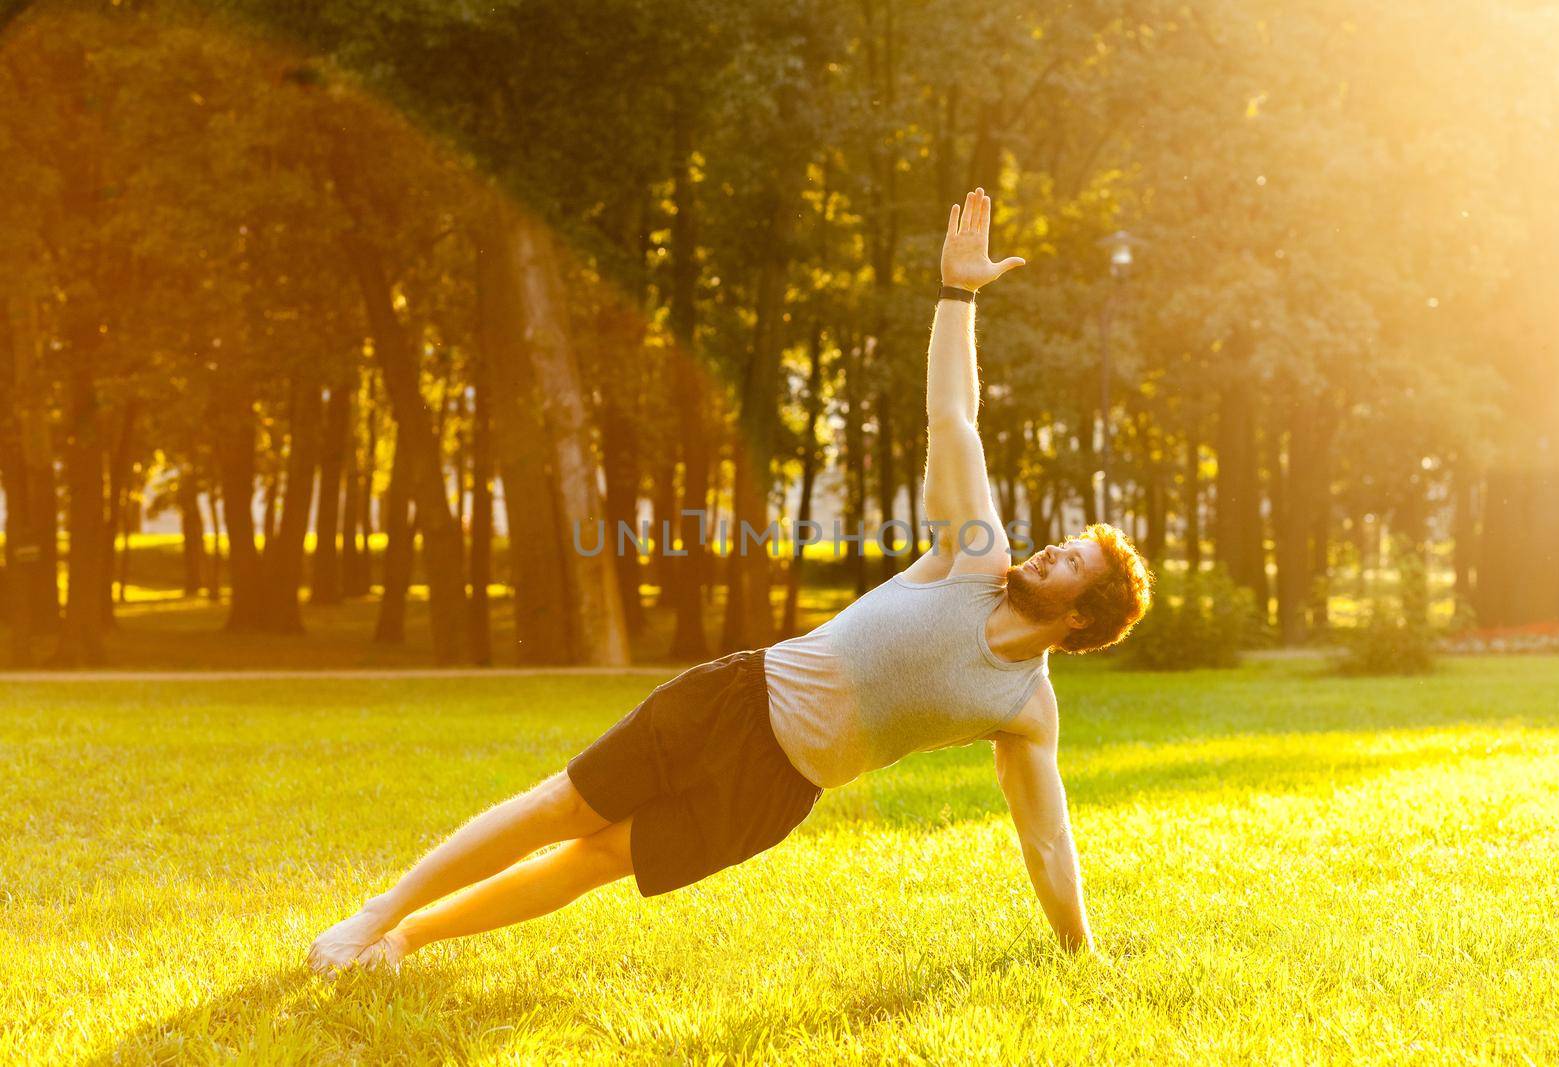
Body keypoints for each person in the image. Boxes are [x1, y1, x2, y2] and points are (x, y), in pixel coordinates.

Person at [306, 188, 1153, 976]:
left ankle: (406, 940)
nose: (1049, 553)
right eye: (1062, 544)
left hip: (778, 790)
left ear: (1081, 621)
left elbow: (1045, 838)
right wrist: (958, 297)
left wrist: (1081, 954)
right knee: (562, 807)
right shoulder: (975, 560)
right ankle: (375, 915)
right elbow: (953, 417)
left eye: (1070, 563)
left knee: (596, 859)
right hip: (737, 698)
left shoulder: (1024, 709)